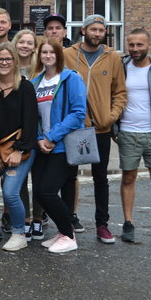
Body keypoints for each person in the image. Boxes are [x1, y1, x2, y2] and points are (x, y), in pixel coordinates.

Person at [64, 14, 127, 244]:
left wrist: (111, 117)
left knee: (100, 178)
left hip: (100, 128)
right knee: (69, 177)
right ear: (83, 31)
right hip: (74, 126)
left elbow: (120, 92)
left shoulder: (112, 58)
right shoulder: (68, 55)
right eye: (93, 29)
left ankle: (102, 225)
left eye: (101, 30)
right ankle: (68, 222)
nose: (98, 33)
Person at [0, 42, 38, 251]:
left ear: (15, 61)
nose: (4, 62)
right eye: (0, 59)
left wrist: (19, 151)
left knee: (11, 192)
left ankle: (19, 233)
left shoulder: (26, 87)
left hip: (22, 149)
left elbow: (31, 124)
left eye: (8, 59)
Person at [31, 37, 86, 253]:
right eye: (44, 52)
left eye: (51, 52)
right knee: (40, 192)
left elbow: (78, 113)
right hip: (42, 146)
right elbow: (32, 117)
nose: (47, 56)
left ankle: (69, 235)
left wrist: (51, 137)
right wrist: (38, 138)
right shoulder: (36, 82)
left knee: (48, 191)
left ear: (59, 55)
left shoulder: (70, 78)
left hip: (63, 146)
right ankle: (63, 232)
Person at [116, 29, 151, 242]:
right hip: (128, 131)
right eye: (131, 45)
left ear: (149, 44)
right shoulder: (122, 66)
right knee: (128, 177)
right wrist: (115, 129)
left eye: (139, 45)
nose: (135, 49)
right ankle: (128, 223)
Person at [12, 29, 42, 240]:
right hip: (16, 130)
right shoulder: (9, 67)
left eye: (29, 43)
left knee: (39, 177)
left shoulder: (40, 70)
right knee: (20, 178)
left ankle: (38, 219)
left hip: (40, 128)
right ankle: (24, 219)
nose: (24, 45)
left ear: (34, 47)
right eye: (21, 42)